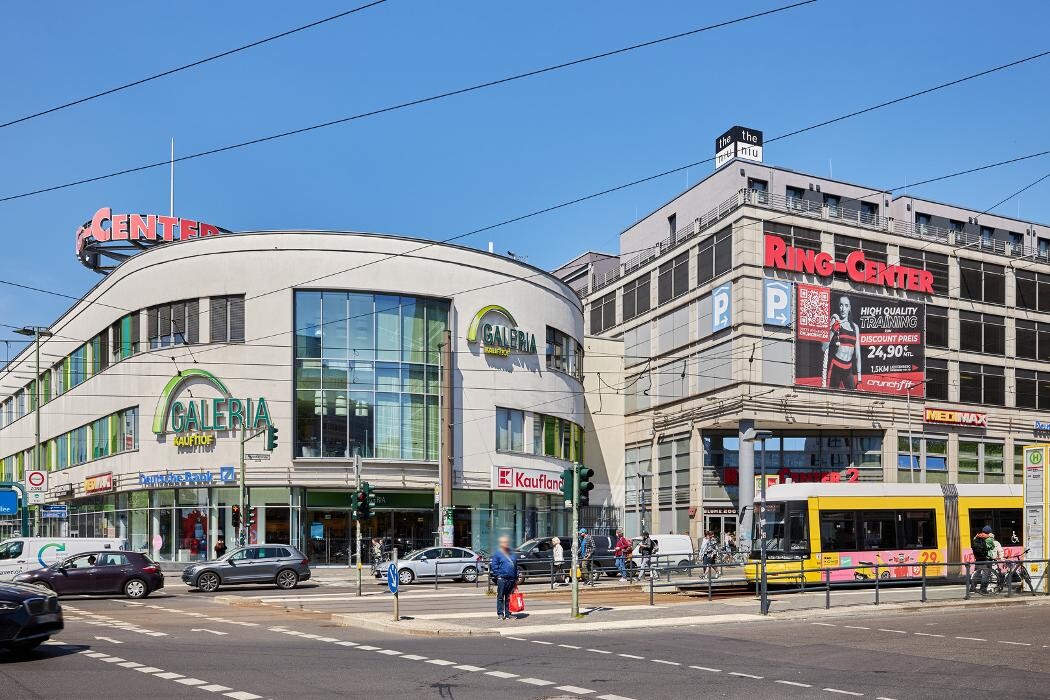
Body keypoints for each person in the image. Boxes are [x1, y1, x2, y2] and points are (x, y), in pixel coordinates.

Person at [822, 295, 861, 390]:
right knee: (831, 397)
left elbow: (858, 354)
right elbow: (823, 348)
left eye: (846, 305)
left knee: (853, 398)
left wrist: (859, 379)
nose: (843, 309)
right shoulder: (835, 321)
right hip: (835, 366)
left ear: (850, 308)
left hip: (849, 368)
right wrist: (832, 330)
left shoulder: (855, 327)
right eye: (841, 305)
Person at [489, 535, 518, 621]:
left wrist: (516, 576)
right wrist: (499, 576)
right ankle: (500, 614)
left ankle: (508, 614)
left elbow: (515, 565)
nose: (506, 543)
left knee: (509, 598)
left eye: (506, 542)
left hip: (511, 579)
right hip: (502, 579)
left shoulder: (512, 553)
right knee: (501, 597)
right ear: (500, 544)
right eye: (504, 542)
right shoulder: (497, 554)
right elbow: (494, 566)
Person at [970, 525, 994, 595]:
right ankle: (983, 589)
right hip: (985, 558)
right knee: (986, 574)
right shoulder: (988, 538)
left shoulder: (976, 537)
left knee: (976, 573)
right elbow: (992, 547)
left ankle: (972, 588)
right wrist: (991, 538)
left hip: (978, 558)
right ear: (989, 532)